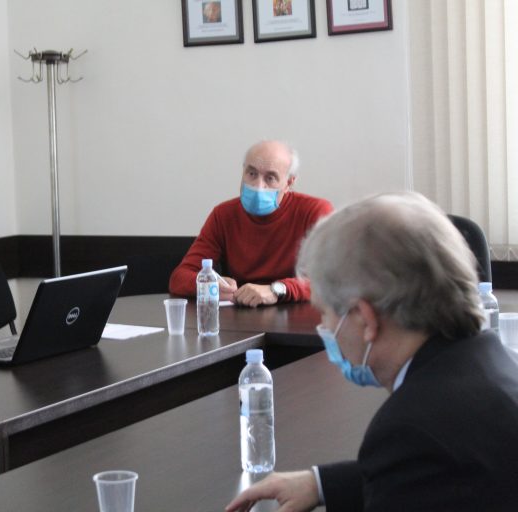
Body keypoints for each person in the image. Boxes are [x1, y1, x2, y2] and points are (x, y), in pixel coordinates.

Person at [226, 192, 518, 512]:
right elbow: (436, 473)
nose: (324, 327)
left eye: (325, 312)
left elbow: (424, 457)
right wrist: (320, 484)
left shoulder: (411, 427)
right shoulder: (496, 363)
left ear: (365, 319)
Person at [168, 140, 332, 307]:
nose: (258, 186)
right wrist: (209, 285)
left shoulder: (315, 211)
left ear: (289, 183)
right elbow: (179, 278)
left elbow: (330, 280)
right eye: (252, 173)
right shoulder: (224, 215)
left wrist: (277, 290)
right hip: (242, 313)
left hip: (297, 315)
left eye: (270, 178)